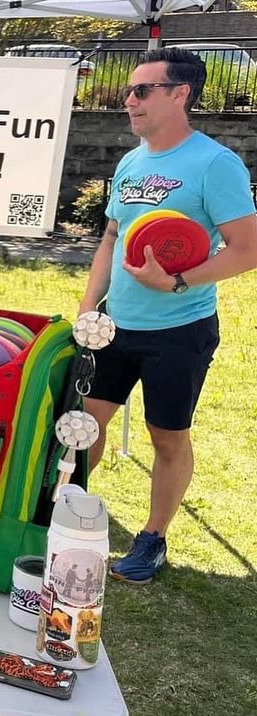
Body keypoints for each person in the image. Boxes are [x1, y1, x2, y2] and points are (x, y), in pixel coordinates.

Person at [79, 47, 257, 584]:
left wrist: (178, 281)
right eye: (129, 90)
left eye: (141, 90)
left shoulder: (214, 164)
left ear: (180, 95)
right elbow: (112, 235)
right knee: (85, 425)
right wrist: (90, 300)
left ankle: (152, 538)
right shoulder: (132, 160)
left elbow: (247, 248)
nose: (128, 100)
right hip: (116, 325)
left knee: (166, 436)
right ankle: (61, 511)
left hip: (179, 332)